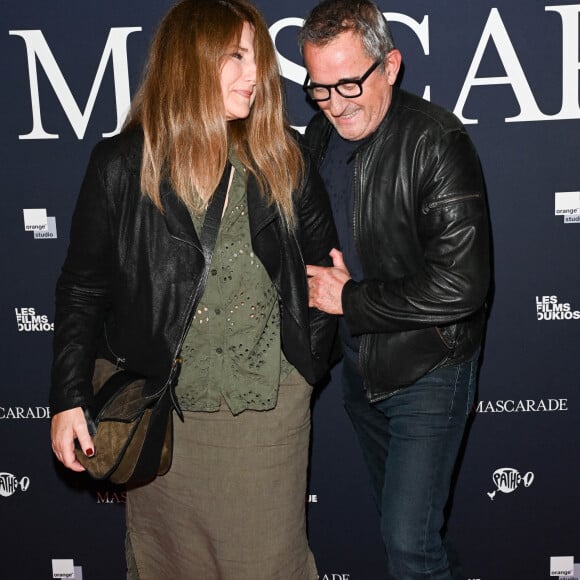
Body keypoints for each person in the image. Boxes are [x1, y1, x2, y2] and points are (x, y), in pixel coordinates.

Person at [50, 1, 337, 578]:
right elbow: (83, 288)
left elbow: (320, 274)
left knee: (268, 564)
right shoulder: (122, 164)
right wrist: (67, 397)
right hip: (163, 415)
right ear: (188, 61)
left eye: (257, 55)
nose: (256, 73)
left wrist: (304, 371)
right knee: (167, 565)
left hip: (265, 413)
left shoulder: (285, 157)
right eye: (235, 55)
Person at [299, 1, 490, 578]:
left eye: (350, 82)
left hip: (430, 366)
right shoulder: (316, 136)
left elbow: (463, 284)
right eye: (320, 88)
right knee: (416, 540)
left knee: (408, 545)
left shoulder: (437, 141)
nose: (335, 103)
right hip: (361, 373)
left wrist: (349, 300)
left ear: (391, 65)